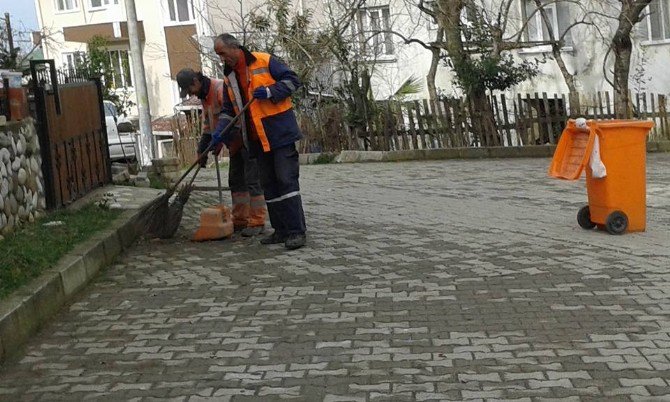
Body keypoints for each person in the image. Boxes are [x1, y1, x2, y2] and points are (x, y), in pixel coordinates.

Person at [209, 33, 307, 250]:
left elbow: (293, 81)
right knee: (269, 185)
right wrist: (219, 133)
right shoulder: (229, 78)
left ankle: (296, 231)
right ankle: (280, 230)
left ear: (235, 48)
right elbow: (228, 111)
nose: (221, 59)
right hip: (255, 140)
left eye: (222, 53)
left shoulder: (264, 60)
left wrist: (271, 91)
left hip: (279, 134)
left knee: (286, 181)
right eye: (218, 55)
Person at [176, 68, 267, 237]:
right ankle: (240, 220)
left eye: (190, 90)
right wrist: (202, 150)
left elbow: (234, 119)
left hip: (245, 140)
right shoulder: (205, 97)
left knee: (252, 181)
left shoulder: (219, 89)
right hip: (233, 143)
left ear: (196, 82)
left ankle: (257, 221)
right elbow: (209, 125)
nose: (191, 94)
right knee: (236, 181)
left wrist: (219, 141)